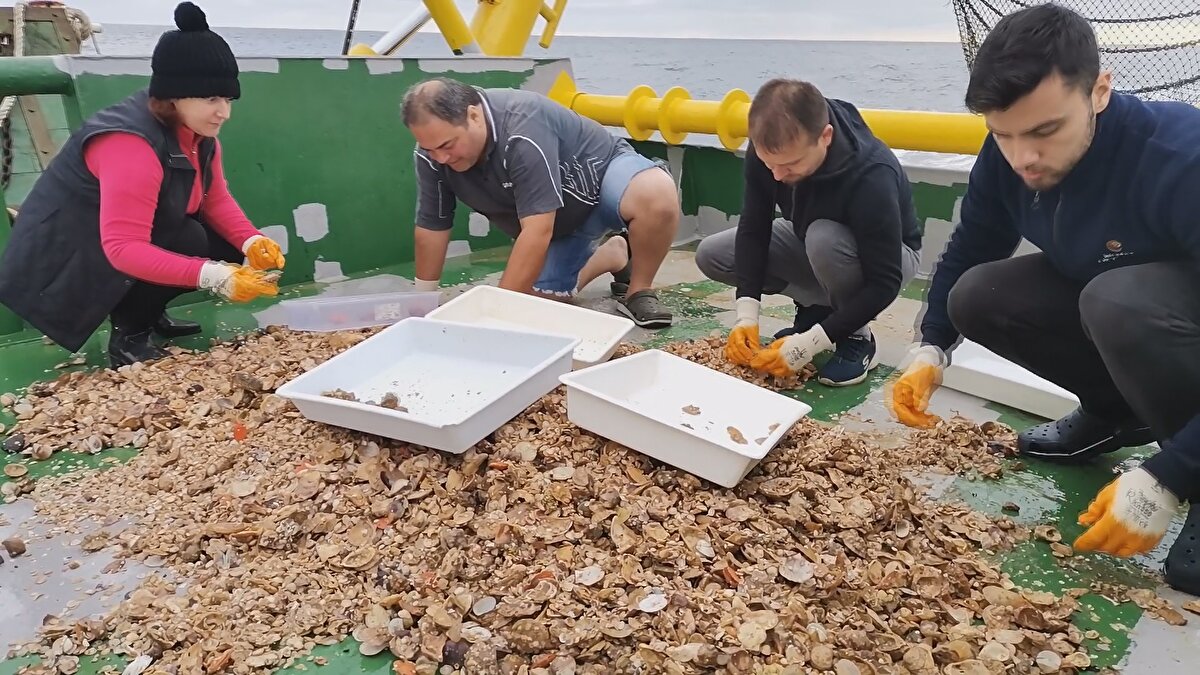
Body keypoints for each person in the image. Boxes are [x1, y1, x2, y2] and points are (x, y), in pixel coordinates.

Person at [887, 4, 1200, 594]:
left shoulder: (1180, 161)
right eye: (1002, 134)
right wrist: (930, 348)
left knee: (1116, 300)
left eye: (1045, 130)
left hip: (1169, 319)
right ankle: (1115, 416)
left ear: (1099, 92)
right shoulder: (1009, 156)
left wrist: (1169, 475)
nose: (1022, 157)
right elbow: (971, 245)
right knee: (977, 294)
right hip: (1122, 311)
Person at [0, 2, 282, 369]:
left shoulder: (199, 134)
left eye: (228, 99)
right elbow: (122, 248)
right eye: (211, 99)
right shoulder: (130, 145)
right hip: (72, 255)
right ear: (174, 95)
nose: (223, 112)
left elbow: (214, 198)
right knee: (190, 242)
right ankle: (129, 337)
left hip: (124, 239)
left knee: (220, 242)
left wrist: (250, 240)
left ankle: (150, 313)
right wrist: (213, 276)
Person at [696, 78, 922, 386]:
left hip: (888, 258)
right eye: (769, 164)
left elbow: (885, 281)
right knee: (714, 254)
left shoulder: (871, 173)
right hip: (811, 238)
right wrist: (746, 314)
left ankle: (857, 337)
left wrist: (812, 344)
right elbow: (754, 227)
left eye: (790, 165)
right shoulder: (772, 149)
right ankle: (816, 312)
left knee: (823, 239)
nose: (776, 175)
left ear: (825, 137)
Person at [402, 78, 679, 328]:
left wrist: (495, 316)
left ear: (473, 115)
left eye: (448, 146)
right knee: (540, 305)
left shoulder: (522, 129)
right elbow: (432, 226)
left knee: (656, 195)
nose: (440, 158)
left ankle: (639, 290)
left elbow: (537, 231)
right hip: (561, 222)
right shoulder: (432, 154)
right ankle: (613, 253)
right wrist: (421, 306)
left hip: (604, 181)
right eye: (430, 149)